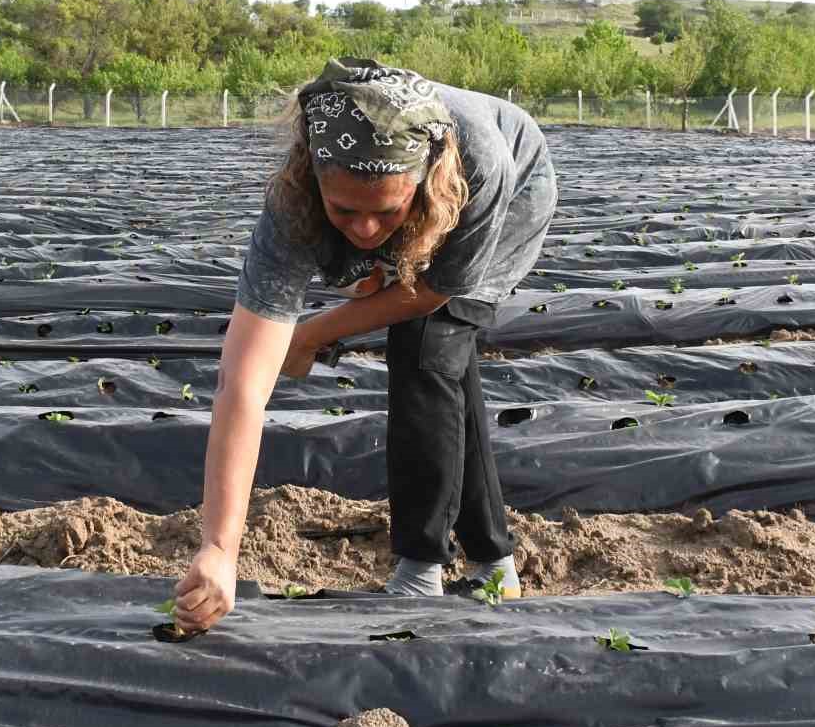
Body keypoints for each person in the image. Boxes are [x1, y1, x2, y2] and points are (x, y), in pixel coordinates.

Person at [172, 57, 557, 633]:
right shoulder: (292, 205)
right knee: (445, 366)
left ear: (422, 184)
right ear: (314, 177)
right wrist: (220, 549)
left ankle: (422, 565)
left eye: (385, 211)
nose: (365, 230)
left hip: (517, 182)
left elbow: (426, 295)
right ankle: (495, 559)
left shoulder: (478, 165)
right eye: (344, 210)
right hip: (426, 194)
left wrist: (313, 334)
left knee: (427, 347)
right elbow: (243, 382)